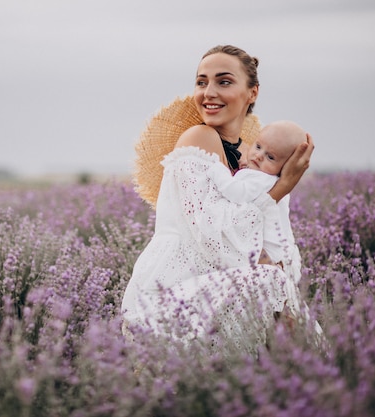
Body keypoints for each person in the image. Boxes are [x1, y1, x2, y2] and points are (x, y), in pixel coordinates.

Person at [121, 45, 315, 354]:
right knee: (269, 284)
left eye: (223, 82)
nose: (208, 92)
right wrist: (283, 186)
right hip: (174, 288)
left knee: (278, 290)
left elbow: (275, 238)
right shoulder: (199, 138)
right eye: (201, 82)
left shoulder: (255, 155)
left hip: (220, 286)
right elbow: (213, 237)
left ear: (252, 93)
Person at [207, 120, 308, 282]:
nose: (259, 156)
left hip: (268, 255)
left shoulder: (262, 180)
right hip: (279, 253)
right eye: (258, 147)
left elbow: (236, 193)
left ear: (285, 166)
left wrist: (217, 169)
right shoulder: (266, 178)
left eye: (271, 157)